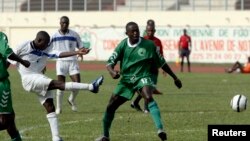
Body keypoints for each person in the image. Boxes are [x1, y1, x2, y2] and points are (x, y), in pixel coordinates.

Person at [10, 31, 104, 141]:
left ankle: (56, 138)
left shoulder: (45, 49)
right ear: (39, 40)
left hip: (39, 77)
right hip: (28, 79)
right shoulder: (23, 46)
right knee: (58, 84)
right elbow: (9, 57)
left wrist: (77, 52)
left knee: (50, 106)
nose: (47, 46)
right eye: (46, 44)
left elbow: (59, 54)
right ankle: (91, 87)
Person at [95, 22, 182, 141]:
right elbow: (110, 63)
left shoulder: (149, 45)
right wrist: (112, 72)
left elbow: (162, 62)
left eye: (137, 30)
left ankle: (160, 130)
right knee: (110, 106)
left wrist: (175, 78)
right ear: (127, 33)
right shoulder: (123, 45)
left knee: (148, 95)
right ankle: (105, 135)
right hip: (126, 80)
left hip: (143, 76)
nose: (136, 33)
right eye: (133, 31)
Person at [50, 16, 88, 114]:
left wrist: (84, 51)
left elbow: (81, 47)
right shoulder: (54, 36)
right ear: (60, 23)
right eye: (63, 23)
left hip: (72, 62)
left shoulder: (74, 34)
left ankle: (71, 99)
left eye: (66, 23)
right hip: (61, 62)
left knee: (77, 84)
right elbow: (48, 49)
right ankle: (58, 108)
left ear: (69, 24)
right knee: (61, 85)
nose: (65, 24)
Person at [0, 32, 30, 141]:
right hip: (1, 84)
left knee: (10, 120)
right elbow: (7, 52)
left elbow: (5, 58)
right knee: (6, 121)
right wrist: (22, 61)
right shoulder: (0, 36)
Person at [131, 24, 165, 113]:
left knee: (149, 88)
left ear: (154, 31)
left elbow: (160, 55)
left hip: (154, 68)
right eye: (148, 31)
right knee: (148, 88)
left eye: (152, 31)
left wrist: (163, 67)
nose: (150, 32)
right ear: (146, 31)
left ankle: (135, 102)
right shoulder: (142, 40)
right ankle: (146, 108)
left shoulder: (158, 41)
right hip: (144, 68)